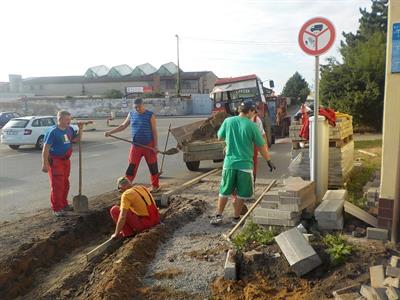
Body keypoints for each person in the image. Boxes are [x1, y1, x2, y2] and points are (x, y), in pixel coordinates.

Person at [210, 99, 276, 225]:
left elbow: (219, 136)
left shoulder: (228, 121)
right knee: (242, 193)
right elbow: (261, 146)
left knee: (224, 191)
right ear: (250, 111)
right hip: (245, 165)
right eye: (254, 112)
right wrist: (268, 160)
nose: (254, 114)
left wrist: (230, 141)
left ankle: (218, 216)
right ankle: (235, 218)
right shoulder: (252, 126)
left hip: (229, 164)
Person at [105, 98, 160, 192]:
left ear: (143, 105)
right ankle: (126, 186)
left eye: (139, 107)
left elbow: (154, 131)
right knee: (132, 166)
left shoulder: (150, 115)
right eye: (135, 107)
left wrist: (156, 146)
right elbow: (123, 126)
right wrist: (110, 132)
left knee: (153, 166)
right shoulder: (131, 114)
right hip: (136, 145)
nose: (137, 109)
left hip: (149, 145)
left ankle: (155, 186)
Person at [42, 110, 82, 217]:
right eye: (67, 119)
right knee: (57, 185)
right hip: (55, 161)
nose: (69, 121)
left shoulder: (70, 129)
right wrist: (45, 164)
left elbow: (76, 139)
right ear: (60, 119)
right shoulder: (53, 132)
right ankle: (57, 208)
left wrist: (81, 129)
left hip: (66, 160)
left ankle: (64, 204)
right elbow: (45, 149)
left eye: (70, 119)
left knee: (65, 183)